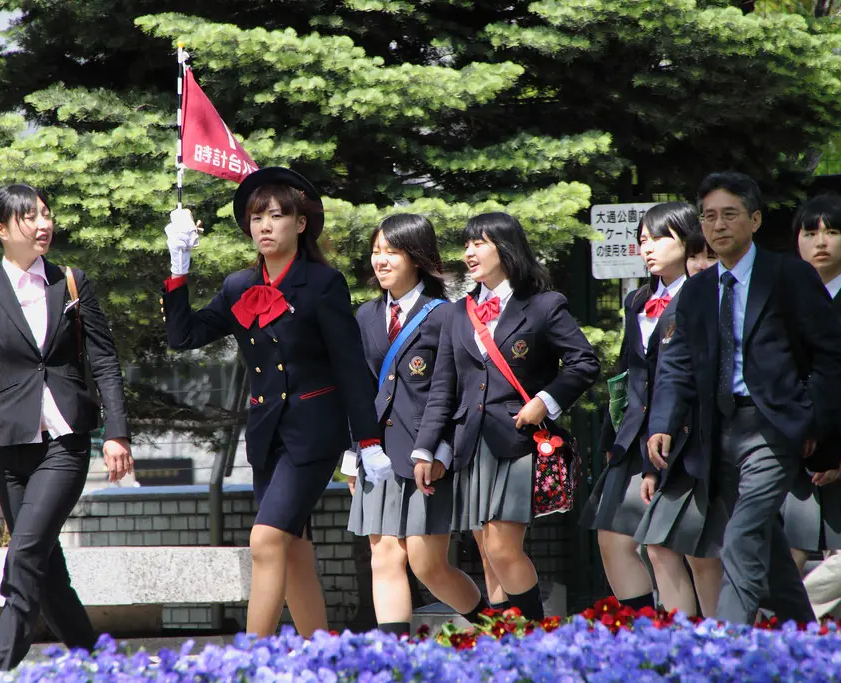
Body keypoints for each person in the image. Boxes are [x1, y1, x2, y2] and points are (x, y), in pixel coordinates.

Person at [161, 167, 389, 638]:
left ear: (300, 224)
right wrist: (178, 267)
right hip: (267, 436)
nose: (265, 226)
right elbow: (183, 336)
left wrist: (366, 439)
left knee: (265, 542)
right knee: (294, 550)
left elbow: (349, 366)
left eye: (277, 215)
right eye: (256, 217)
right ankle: (321, 653)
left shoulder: (323, 284)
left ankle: (251, 659)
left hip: (314, 433)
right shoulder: (238, 286)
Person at [648, 171, 841, 625]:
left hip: (772, 427)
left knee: (740, 538)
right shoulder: (697, 288)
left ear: (755, 219)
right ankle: (804, 636)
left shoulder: (789, 275)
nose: (718, 226)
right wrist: (662, 423)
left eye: (730, 215)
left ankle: (727, 649)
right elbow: (676, 363)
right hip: (717, 432)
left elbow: (833, 357)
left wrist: (809, 418)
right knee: (766, 541)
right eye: (709, 217)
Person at [0, 184, 133, 673]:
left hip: (66, 441)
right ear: (3, 230)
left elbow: (105, 360)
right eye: (29, 218)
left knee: (25, 552)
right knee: (47, 570)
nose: (43, 224)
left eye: (46, 214)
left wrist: (117, 431)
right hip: (10, 443)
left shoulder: (71, 281)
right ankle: (101, 666)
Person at [415, 212, 600, 620]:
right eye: (466, 244)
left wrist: (546, 401)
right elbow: (443, 388)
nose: (469, 252)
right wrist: (427, 449)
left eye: (479, 243)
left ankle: (537, 634)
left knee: (501, 547)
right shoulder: (457, 313)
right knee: (486, 552)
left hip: (517, 441)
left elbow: (584, 362)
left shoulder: (543, 305)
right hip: (470, 444)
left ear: (506, 247)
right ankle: (506, 642)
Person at [342, 214, 486, 635]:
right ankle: (394, 661)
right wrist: (354, 452)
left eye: (392, 252)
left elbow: (453, 390)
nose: (380, 261)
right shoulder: (366, 316)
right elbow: (359, 389)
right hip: (376, 453)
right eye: (376, 252)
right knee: (384, 557)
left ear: (417, 258)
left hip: (426, 455)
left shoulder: (446, 315)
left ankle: (499, 629)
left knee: (427, 564)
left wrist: (439, 449)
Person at [582, 202, 706, 613]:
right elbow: (626, 372)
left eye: (658, 238)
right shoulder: (637, 299)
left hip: (685, 435)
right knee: (612, 537)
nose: (647, 248)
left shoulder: (703, 295)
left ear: (687, 239)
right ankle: (643, 629)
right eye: (642, 240)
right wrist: (609, 436)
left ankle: (690, 641)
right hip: (632, 434)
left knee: (668, 546)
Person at [628, 204, 726, 618]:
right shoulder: (643, 300)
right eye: (644, 240)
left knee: (704, 553)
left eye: (710, 256)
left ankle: (728, 642)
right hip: (670, 442)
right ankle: (685, 646)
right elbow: (662, 375)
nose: (701, 264)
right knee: (659, 545)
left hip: (718, 442)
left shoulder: (717, 296)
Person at [781, 195, 841, 574]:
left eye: (832, 232)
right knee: (785, 554)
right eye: (810, 232)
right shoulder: (781, 303)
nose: (821, 241)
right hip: (793, 446)